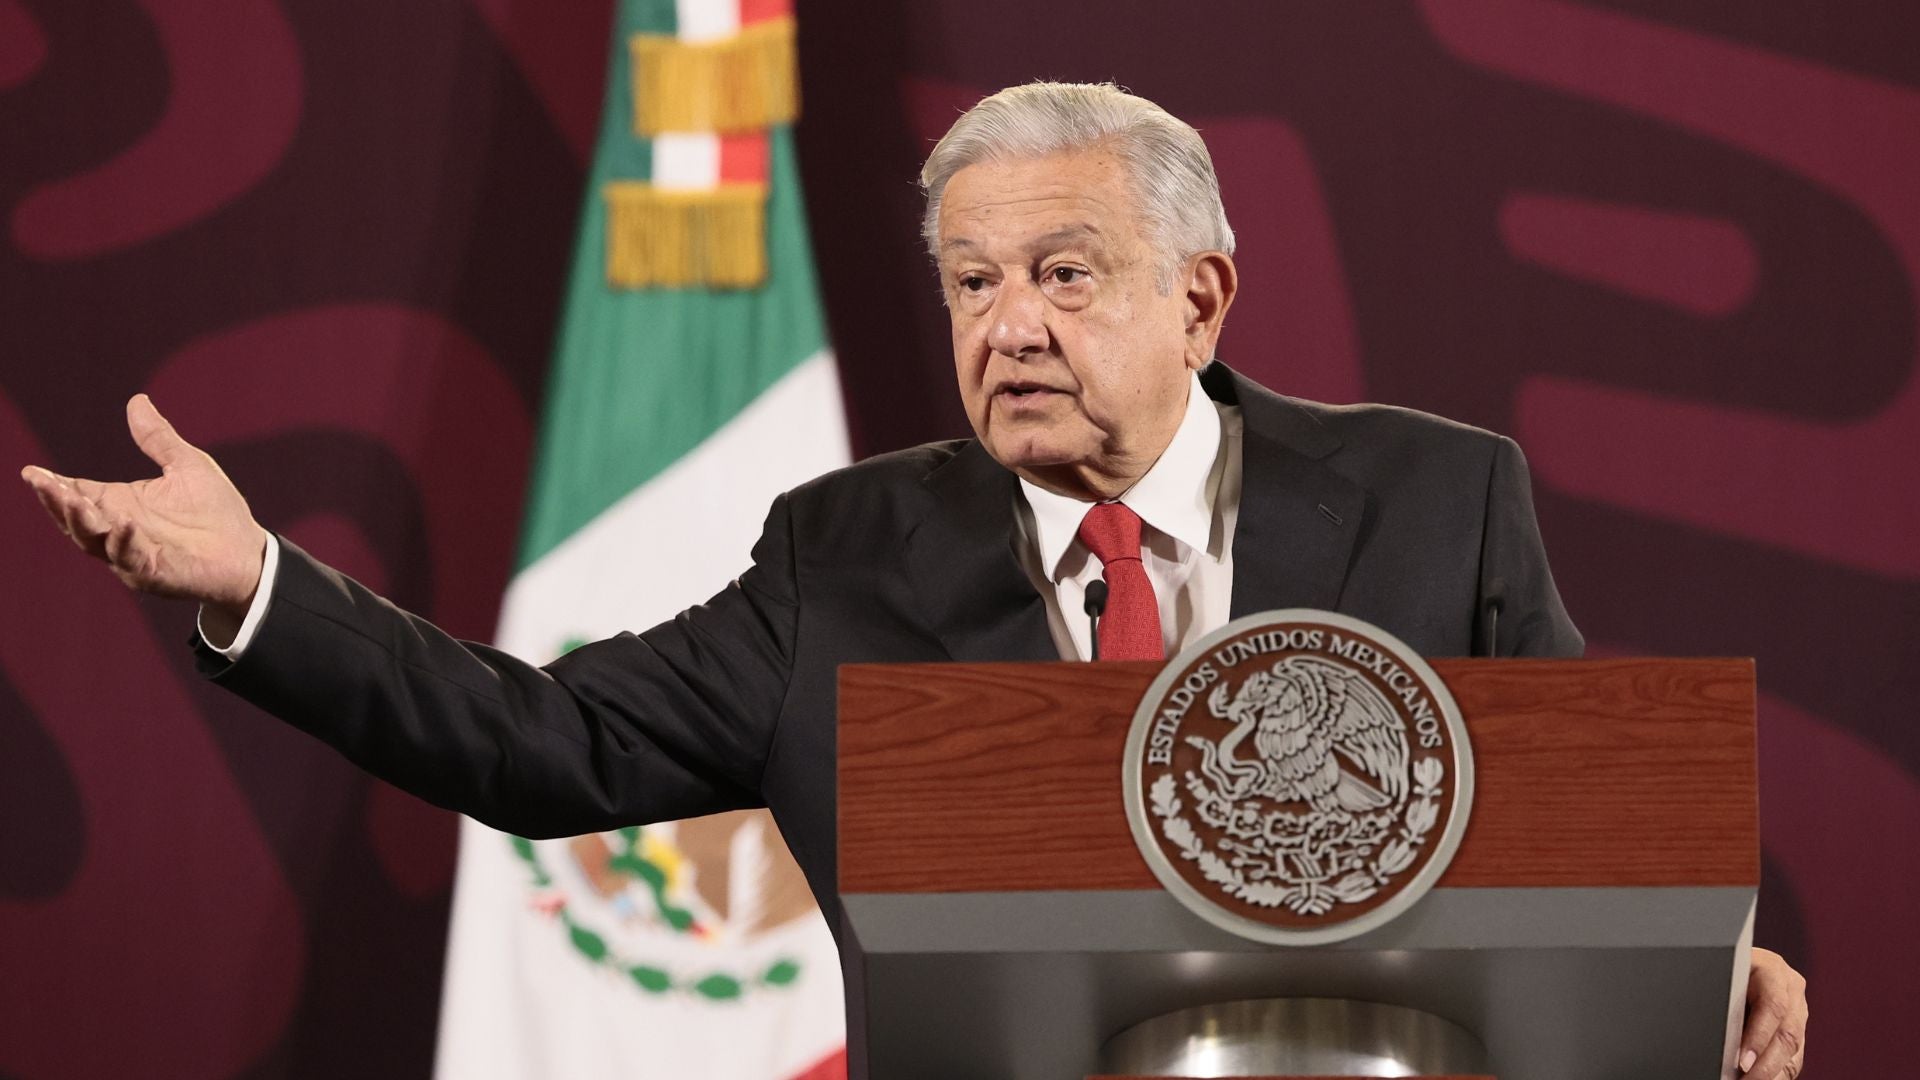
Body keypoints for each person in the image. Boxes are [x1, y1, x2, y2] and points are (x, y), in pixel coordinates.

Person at [19, 82, 1806, 1078]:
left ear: (1204, 297)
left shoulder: (1440, 500)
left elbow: (1580, 843)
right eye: (968, 282)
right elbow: (538, 743)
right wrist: (259, 578)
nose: (1006, 324)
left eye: (1064, 271)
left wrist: (1705, 963)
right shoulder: (846, 554)